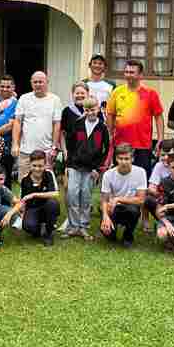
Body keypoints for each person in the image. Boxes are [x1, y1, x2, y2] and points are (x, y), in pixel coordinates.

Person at [106, 60, 163, 180]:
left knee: (141, 178)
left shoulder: (150, 93)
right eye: (126, 72)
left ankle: (140, 199)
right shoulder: (117, 92)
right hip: (121, 144)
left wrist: (160, 138)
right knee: (120, 177)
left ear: (140, 75)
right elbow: (110, 114)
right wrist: (110, 134)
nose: (128, 75)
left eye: (132, 72)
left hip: (142, 145)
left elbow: (158, 116)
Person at [62, 95, 110, 240]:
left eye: (93, 109)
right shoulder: (77, 124)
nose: (90, 112)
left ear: (98, 109)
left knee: (86, 196)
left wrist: (98, 168)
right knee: (72, 195)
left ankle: (83, 226)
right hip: (75, 166)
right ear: (84, 110)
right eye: (87, 110)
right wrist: (68, 165)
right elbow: (70, 146)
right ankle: (74, 226)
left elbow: (105, 149)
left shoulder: (102, 127)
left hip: (91, 169)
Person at [12, 71, 63, 180]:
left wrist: (54, 147)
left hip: (46, 152)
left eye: (41, 82)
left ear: (47, 82)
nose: (38, 84)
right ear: (31, 83)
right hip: (26, 151)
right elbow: (17, 122)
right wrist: (15, 144)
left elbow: (57, 125)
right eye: (35, 82)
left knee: (44, 185)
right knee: (24, 184)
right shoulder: (24, 99)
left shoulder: (55, 100)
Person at [99, 143, 147, 247]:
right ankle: (112, 230)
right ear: (116, 159)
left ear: (132, 159)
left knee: (134, 211)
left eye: (127, 159)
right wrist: (105, 217)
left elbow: (141, 200)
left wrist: (118, 199)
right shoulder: (108, 174)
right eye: (120, 158)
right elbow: (104, 200)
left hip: (130, 207)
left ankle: (128, 235)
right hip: (113, 207)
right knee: (107, 234)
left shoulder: (140, 172)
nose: (123, 162)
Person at [18, 150, 61, 246]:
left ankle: (49, 233)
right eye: (34, 166)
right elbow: (23, 200)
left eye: (40, 166)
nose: (37, 169)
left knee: (53, 203)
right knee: (28, 226)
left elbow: (55, 194)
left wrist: (34, 194)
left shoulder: (49, 174)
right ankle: (37, 229)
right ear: (30, 165)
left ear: (45, 165)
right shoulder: (25, 179)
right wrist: (22, 214)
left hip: (47, 206)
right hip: (33, 208)